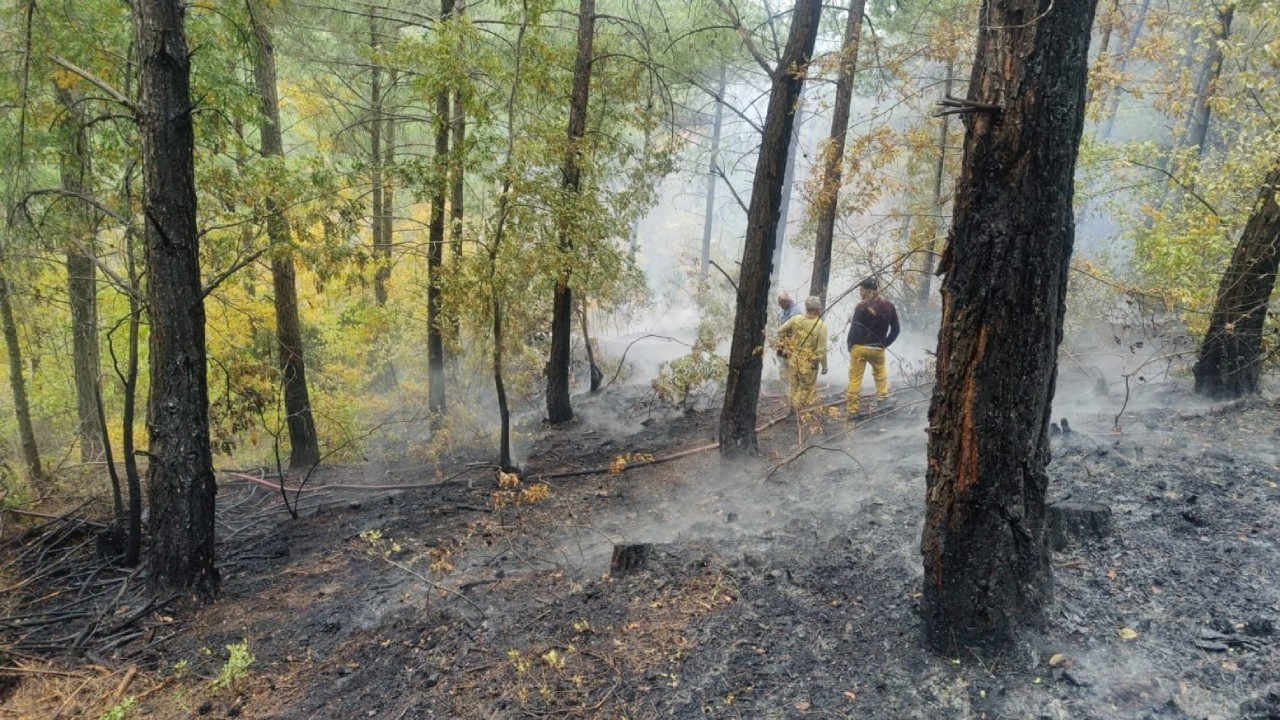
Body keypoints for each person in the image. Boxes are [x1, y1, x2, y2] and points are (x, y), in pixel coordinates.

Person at [846, 278, 899, 419]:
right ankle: (882, 401)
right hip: (877, 348)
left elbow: (855, 327)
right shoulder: (889, 306)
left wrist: (849, 344)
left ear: (869, 290)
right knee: (880, 374)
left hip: (860, 348)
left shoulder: (861, 307)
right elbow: (896, 329)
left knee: (855, 378)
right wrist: (885, 343)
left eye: (861, 290)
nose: (860, 293)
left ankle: (852, 411)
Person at [777, 296, 828, 412]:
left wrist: (788, 346)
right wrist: (824, 366)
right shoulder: (821, 325)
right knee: (805, 388)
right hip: (809, 363)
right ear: (817, 309)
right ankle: (796, 410)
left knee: (794, 386)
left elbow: (780, 331)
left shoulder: (796, 319)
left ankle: (792, 409)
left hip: (794, 359)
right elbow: (821, 350)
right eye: (819, 307)